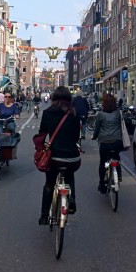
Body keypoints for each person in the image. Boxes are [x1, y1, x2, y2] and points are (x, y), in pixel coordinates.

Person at [37, 86, 81, 225]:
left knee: (49, 184)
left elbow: (42, 134)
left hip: (54, 157)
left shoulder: (48, 112)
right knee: (69, 173)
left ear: (53, 98)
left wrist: (41, 147)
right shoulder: (74, 113)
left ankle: (44, 216)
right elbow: (76, 137)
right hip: (73, 158)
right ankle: (72, 200)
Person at [92, 93, 124, 194]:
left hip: (104, 143)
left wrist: (94, 137)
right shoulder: (118, 113)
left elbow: (97, 129)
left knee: (103, 162)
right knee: (116, 156)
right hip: (117, 142)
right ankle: (118, 174)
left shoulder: (100, 114)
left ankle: (102, 184)